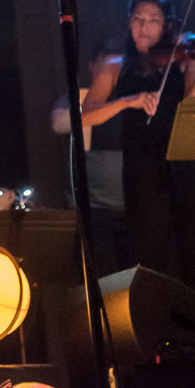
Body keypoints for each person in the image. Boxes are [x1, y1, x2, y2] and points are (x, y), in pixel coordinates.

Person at [80, 0, 195, 280]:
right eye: (138, 19)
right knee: (151, 254)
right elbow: (85, 115)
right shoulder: (114, 65)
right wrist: (127, 101)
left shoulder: (184, 60)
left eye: (153, 20)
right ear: (129, 22)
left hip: (184, 164)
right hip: (142, 168)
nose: (144, 26)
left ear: (166, 26)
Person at [51, 39, 131, 277]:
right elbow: (58, 124)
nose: (111, 71)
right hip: (91, 209)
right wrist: (108, 108)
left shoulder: (135, 98)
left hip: (129, 207)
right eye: (105, 65)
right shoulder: (79, 97)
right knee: (99, 276)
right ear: (92, 66)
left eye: (118, 66)